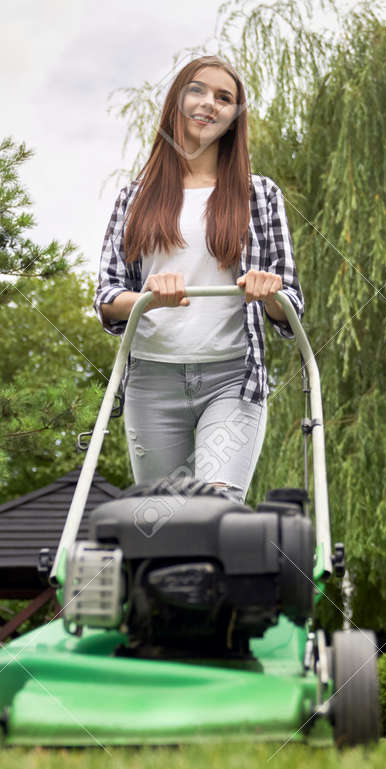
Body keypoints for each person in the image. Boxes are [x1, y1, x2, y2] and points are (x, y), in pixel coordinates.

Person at [94, 55, 304, 504]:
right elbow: (108, 298)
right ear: (177, 102)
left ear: (233, 119)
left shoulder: (260, 195)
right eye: (198, 90)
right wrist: (147, 298)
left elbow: (291, 306)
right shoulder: (135, 198)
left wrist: (270, 293)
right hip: (152, 378)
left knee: (216, 511)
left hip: (233, 378)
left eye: (224, 98)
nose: (209, 104)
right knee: (160, 521)